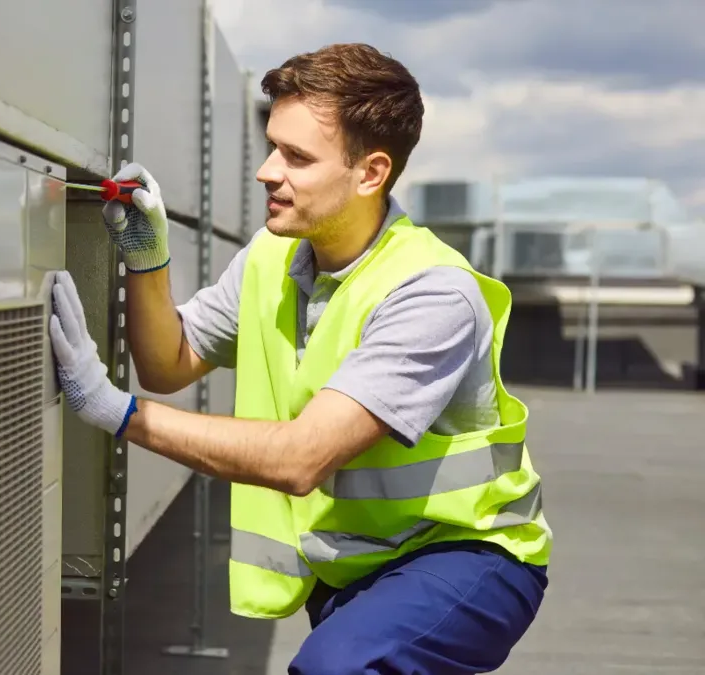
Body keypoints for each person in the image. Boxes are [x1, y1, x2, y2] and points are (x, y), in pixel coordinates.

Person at [48, 43, 552, 674]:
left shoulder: (431, 293)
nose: (266, 171)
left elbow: (300, 459)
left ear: (370, 173)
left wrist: (113, 410)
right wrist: (148, 260)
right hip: (351, 564)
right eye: (271, 146)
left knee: (335, 669)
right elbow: (170, 362)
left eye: (296, 157)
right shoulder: (273, 256)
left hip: (466, 557)